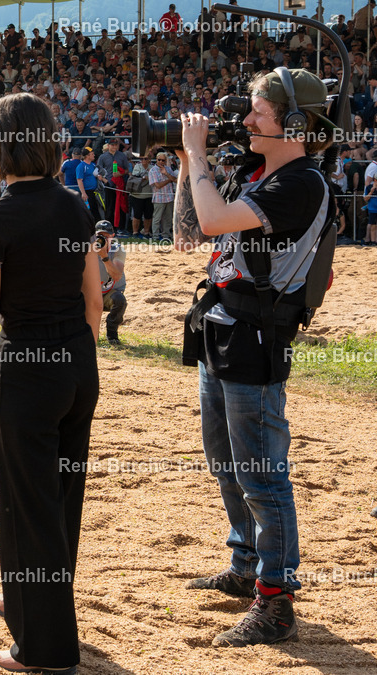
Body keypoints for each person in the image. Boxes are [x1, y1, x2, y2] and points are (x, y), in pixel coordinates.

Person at [0, 92, 101, 675]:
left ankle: (46, 648)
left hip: (28, 370)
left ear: (0, 145)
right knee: (60, 498)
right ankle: (32, 601)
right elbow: (95, 303)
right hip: (78, 365)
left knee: (26, 504)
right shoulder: (74, 205)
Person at [175, 68, 337, 647]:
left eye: (258, 114)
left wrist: (196, 154)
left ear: (294, 124)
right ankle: (246, 564)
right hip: (221, 327)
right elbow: (190, 231)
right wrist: (188, 161)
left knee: (262, 473)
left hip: (257, 339)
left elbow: (217, 219)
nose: (245, 122)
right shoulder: (255, 170)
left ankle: (277, 601)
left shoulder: (302, 183)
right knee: (225, 462)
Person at [93, 220, 127, 343]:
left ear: (112, 236)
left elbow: (117, 275)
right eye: (99, 236)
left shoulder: (118, 250)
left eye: (106, 236)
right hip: (91, 293)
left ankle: (112, 334)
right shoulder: (87, 249)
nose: (102, 239)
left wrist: (104, 257)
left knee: (119, 300)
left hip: (109, 292)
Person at [148, 151, 177, 242]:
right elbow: (157, 185)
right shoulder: (152, 170)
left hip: (169, 197)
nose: (161, 161)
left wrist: (167, 174)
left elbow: (175, 180)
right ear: (156, 160)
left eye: (163, 160)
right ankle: (155, 236)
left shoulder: (168, 169)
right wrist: (169, 180)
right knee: (157, 218)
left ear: (165, 161)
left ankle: (166, 235)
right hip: (159, 198)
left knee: (168, 218)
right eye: (159, 160)